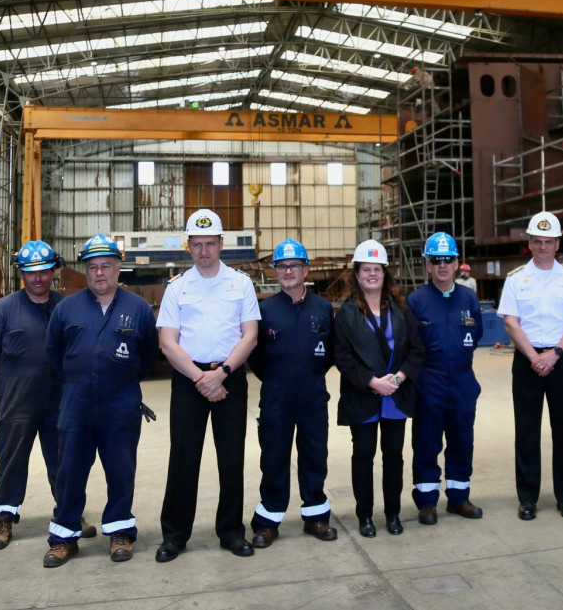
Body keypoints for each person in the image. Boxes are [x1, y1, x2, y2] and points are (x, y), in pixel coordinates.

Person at [43, 234, 158, 566]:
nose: (99, 273)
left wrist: (120, 379)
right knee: (70, 471)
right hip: (75, 403)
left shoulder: (137, 308)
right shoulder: (67, 308)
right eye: (92, 267)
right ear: (86, 271)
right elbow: (53, 353)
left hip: (120, 402)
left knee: (121, 470)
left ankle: (120, 530)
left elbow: (148, 353)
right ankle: (64, 536)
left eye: (106, 266)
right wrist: (77, 382)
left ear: (118, 268)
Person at [155, 210, 261, 562]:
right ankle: (174, 535)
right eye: (197, 244)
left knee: (231, 459)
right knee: (184, 459)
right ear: (189, 246)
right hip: (190, 380)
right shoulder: (177, 287)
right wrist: (201, 378)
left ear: (221, 244)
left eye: (209, 244)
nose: (203, 251)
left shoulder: (241, 283)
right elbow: (168, 342)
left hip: (229, 377)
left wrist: (222, 372)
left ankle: (231, 531)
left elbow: (250, 335)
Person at [0, 240, 97, 550]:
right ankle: (3, 517)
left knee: (64, 460)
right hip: (16, 400)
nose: (37, 279)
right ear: (20, 273)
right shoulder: (2, 310)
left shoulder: (67, 308)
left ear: (54, 271)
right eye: (30, 273)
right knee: (11, 461)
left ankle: (69, 514)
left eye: (44, 272)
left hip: (59, 400)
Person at [497, 211, 563, 521]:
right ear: (529, 243)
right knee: (526, 432)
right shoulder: (516, 279)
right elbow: (511, 323)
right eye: (537, 241)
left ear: (557, 243)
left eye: (548, 241)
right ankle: (527, 499)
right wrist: (535, 357)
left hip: (561, 360)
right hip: (527, 362)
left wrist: (555, 354)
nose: (542, 246)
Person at [247, 239, 338, 548]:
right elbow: (255, 357)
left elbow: (329, 354)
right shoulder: (264, 310)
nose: (288, 271)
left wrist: (308, 376)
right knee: (273, 459)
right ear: (275, 272)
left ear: (306, 270)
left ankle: (316, 516)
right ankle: (268, 522)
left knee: (315, 456)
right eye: (282, 266)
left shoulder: (323, 308)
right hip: (276, 397)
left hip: (313, 395)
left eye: (294, 266)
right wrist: (277, 379)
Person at [332, 239, 425, 538]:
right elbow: (342, 357)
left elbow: (416, 351)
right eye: (366, 269)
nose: (372, 274)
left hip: (395, 397)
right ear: (356, 275)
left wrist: (396, 380)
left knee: (394, 457)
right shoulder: (346, 313)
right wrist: (373, 381)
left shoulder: (401, 309)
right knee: (363, 456)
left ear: (386, 275)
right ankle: (365, 516)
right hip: (364, 395)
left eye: (378, 270)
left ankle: (393, 514)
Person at [408, 232, 484, 525]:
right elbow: (411, 345)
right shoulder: (416, 301)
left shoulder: (469, 297)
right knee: (427, 442)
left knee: (462, 440)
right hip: (429, 380)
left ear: (456, 264)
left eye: (447, 260)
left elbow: (475, 335)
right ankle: (427, 502)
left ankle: (459, 497)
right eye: (436, 260)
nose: (442, 265)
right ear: (427, 265)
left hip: (463, 380)